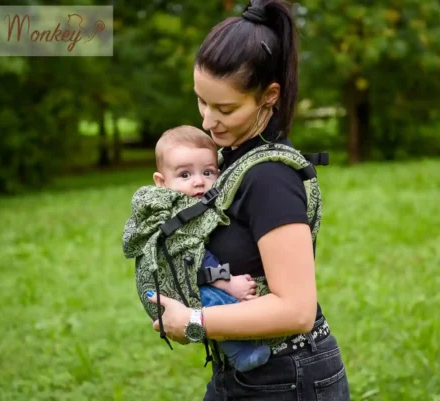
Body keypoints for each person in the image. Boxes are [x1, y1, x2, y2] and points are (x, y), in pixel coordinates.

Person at [146, 1, 351, 400]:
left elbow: (297, 310)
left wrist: (194, 320)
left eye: (225, 108)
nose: (207, 121)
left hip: (287, 379)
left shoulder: (269, 178)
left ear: (268, 96)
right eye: (202, 101)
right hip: (247, 374)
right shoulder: (229, 162)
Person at [150, 125, 272, 372]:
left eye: (208, 172)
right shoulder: (172, 214)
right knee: (212, 301)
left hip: (186, 284)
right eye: (185, 175)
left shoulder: (198, 207)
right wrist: (227, 282)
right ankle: (240, 351)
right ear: (161, 182)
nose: (199, 182)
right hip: (176, 289)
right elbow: (195, 258)